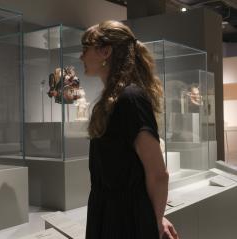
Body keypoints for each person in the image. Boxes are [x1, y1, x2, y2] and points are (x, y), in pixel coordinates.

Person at [80, 20, 179, 239]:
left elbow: (158, 175)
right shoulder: (110, 101)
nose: (81, 57)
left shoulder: (130, 99)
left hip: (124, 221)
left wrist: (152, 221)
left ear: (105, 51)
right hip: (109, 213)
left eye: (85, 49)